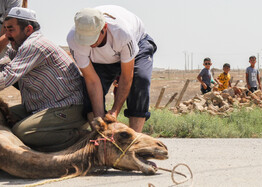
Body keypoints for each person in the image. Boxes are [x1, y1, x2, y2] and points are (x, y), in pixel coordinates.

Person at [1, 7, 87, 152]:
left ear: (28, 29)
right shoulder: (20, 46)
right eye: (5, 30)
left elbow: (6, 77)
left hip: (67, 107)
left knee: (23, 132)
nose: (6, 35)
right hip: (41, 106)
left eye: (11, 30)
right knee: (3, 116)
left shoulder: (34, 45)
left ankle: (81, 138)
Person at [67, 5, 157, 133]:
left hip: (137, 42)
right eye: (85, 40)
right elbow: (92, 81)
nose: (89, 43)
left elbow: (127, 76)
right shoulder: (73, 39)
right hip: (102, 58)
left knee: (140, 81)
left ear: (104, 28)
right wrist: (100, 121)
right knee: (85, 89)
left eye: (92, 39)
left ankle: (134, 139)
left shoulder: (122, 33)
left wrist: (114, 111)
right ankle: (100, 136)